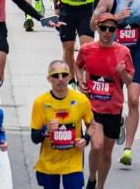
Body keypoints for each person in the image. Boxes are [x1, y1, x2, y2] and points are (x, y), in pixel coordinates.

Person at [91, 0, 140, 166]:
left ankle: (128, 149)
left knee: (134, 100)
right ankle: (117, 121)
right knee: (113, 100)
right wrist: (114, 18)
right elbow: (93, 23)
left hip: (134, 54)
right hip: (111, 55)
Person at [76, 13, 133, 189]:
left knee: (107, 154)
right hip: (93, 107)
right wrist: (80, 82)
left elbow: (129, 80)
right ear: (98, 29)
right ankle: (92, 179)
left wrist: (122, 72)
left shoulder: (123, 52)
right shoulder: (87, 49)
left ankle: (100, 185)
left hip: (113, 108)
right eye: (103, 29)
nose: (107, 32)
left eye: (111, 29)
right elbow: (77, 66)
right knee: (97, 145)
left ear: (115, 31)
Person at [30, 60, 94, 189]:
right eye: (55, 75)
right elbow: (34, 137)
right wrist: (45, 131)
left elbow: (92, 125)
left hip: (73, 162)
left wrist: (85, 139)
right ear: (49, 79)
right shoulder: (40, 102)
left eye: (64, 75)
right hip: (49, 163)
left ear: (69, 76)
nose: (60, 79)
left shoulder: (81, 100)